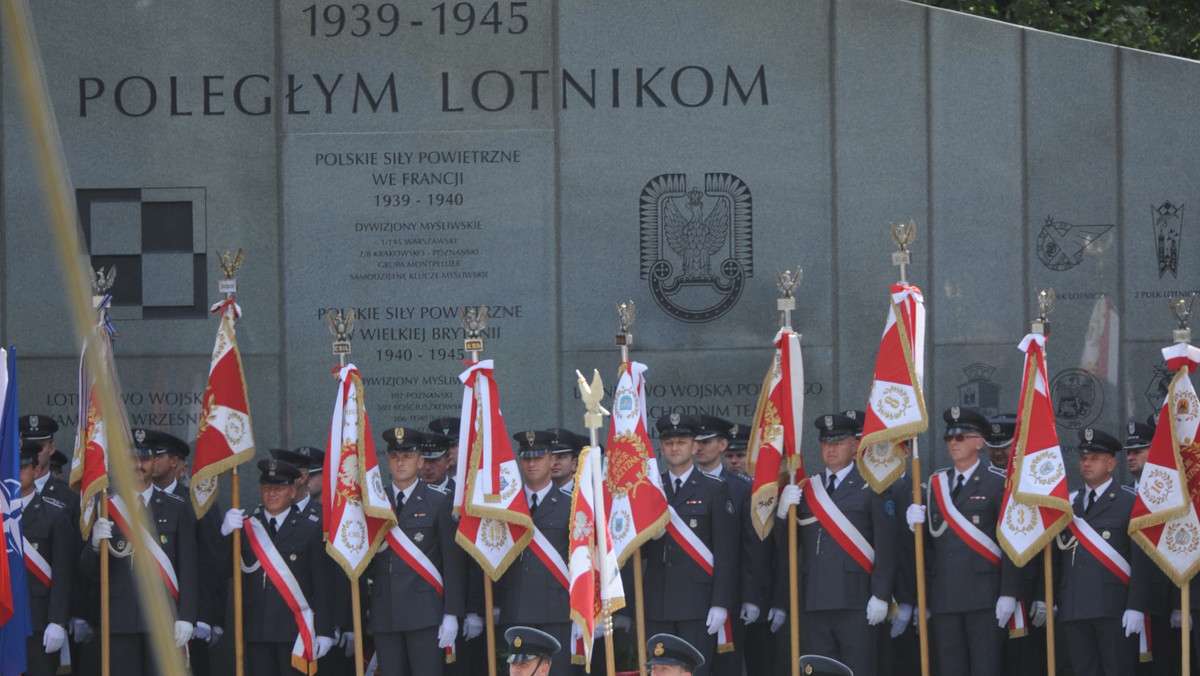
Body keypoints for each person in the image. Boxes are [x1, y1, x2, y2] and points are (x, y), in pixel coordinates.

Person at [775, 412, 896, 676]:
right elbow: (787, 545)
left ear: (854, 446)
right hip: (815, 598)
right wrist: (783, 514)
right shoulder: (807, 488)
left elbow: (887, 547)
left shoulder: (872, 486)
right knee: (819, 670)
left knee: (859, 668)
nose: (831, 448)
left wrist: (881, 595)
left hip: (856, 599)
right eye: (826, 443)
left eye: (839, 442)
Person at [906, 406, 1021, 676]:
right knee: (950, 668)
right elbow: (931, 547)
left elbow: (1012, 542)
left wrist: (1009, 592)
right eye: (949, 439)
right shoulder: (935, 485)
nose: (953, 444)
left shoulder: (999, 484)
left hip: (984, 595)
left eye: (960, 438)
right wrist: (914, 529)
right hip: (945, 595)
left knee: (985, 667)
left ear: (979, 442)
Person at [82, 429, 198, 675]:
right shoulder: (106, 507)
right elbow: (85, 573)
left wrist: (187, 616)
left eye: (144, 459)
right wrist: (93, 546)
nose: (138, 465)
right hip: (119, 619)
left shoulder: (177, 508)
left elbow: (188, 567)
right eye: (133, 459)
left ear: (154, 462)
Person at [219, 459, 335, 675]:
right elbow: (222, 571)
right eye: (266, 488)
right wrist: (225, 534)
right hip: (256, 628)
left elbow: (322, 585)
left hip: (294, 630)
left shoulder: (310, 530)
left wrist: (325, 631)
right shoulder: (245, 529)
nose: (271, 494)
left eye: (278, 488)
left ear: (292, 491)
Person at [642, 413, 736, 676]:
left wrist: (720, 602)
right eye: (669, 442)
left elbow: (726, 552)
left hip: (698, 602)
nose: (674, 447)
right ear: (660, 448)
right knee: (659, 670)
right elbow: (635, 552)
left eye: (681, 441)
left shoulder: (715, 489)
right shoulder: (650, 488)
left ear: (694, 446)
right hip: (657, 601)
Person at [367, 427, 464, 675]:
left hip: (425, 613)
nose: (400, 462)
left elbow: (452, 562)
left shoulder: (440, 500)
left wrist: (451, 613)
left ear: (420, 461)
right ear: (387, 460)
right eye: (395, 456)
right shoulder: (375, 502)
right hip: (385, 611)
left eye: (407, 456)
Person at [1056, 426, 1151, 675]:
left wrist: (1136, 606)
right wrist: (1055, 600)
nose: (1087, 463)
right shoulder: (1068, 504)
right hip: (1074, 607)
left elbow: (1141, 560)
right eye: (1083, 458)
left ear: (1110, 464)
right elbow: (1057, 558)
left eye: (1094, 458)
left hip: (1114, 608)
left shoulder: (1129, 502)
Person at [138, 428, 226, 675]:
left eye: (158, 455)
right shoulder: (133, 500)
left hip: (188, 613)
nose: (150, 461)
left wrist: (208, 616)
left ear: (174, 461)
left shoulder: (196, 502)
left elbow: (209, 562)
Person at [692, 414, 768, 676]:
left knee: (726, 668)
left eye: (707, 441)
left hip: (729, 596)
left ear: (722, 445)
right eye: (696, 441)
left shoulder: (740, 488)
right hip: (687, 598)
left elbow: (750, 548)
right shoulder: (673, 487)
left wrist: (750, 597)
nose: (699, 447)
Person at [497, 429, 575, 676]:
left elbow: (582, 558)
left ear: (551, 460)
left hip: (557, 610)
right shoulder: (506, 505)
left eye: (539, 457)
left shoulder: (571, 504)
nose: (532, 463)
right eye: (526, 458)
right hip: (517, 607)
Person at [17, 439, 74, 676]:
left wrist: (57, 621)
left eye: (22, 466)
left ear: (36, 469)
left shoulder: (55, 514)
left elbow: (63, 573)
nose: (15, 472)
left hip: (39, 623)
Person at [546, 428, 584, 493]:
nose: (554, 463)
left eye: (561, 457)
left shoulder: (585, 495)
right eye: (550, 457)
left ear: (574, 464)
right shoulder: (535, 496)